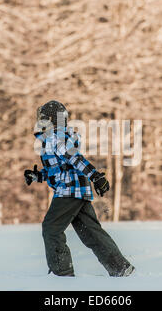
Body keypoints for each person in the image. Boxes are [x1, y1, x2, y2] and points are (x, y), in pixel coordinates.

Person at [24, 100, 135, 277]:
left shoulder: (56, 137)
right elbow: (58, 168)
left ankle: (63, 275)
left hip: (69, 190)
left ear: (52, 120)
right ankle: (120, 267)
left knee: (51, 228)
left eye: (43, 118)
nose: (40, 121)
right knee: (91, 233)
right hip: (77, 190)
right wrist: (37, 175)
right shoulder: (55, 137)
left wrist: (96, 176)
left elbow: (75, 159)